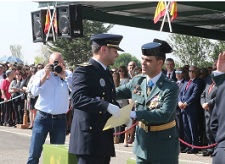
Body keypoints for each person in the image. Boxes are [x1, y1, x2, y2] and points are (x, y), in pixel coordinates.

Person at [115, 39, 180, 163]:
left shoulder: (170, 87)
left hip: (164, 148)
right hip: (142, 145)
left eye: (148, 60)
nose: (143, 63)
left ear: (160, 63)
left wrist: (133, 114)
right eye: (143, 59)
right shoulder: (137, 81)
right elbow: (114, 93)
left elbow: (164, 114)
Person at [69, 34, 124, 164]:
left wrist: (124, 113)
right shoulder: (84, 70)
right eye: (115, 51)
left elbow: (109, 98)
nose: (117, 55)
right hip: (89, 140)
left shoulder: (106, 72)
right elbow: (77, 99)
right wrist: (106, 106)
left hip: (103, 139)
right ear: (103, 49)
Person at [27, 52, 72, 164]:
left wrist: (64, 76)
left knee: (56, 156)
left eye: (60, 63)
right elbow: (33, 91)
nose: (58, 65)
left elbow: (76, 90)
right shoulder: (41, 73)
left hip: (60, 120)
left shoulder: (68, 74)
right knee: (34, 153)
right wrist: (44, 77)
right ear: (49, 63)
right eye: (55, 63)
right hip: (43, 118)